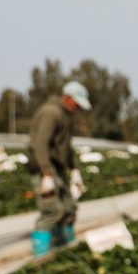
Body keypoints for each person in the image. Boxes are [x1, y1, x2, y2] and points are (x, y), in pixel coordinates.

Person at [26, 80, 91, 256]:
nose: (77, 108)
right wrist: (46, 174)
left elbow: (66, 147)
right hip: (44, 167)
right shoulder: (50, 113)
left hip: (58, 168)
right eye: (76, 103)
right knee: (53, 210)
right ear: (68, 98)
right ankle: (41, 254)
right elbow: (40, 144)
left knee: (69, 208)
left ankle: (65, 249)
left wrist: (74, 170)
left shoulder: (65, 116)